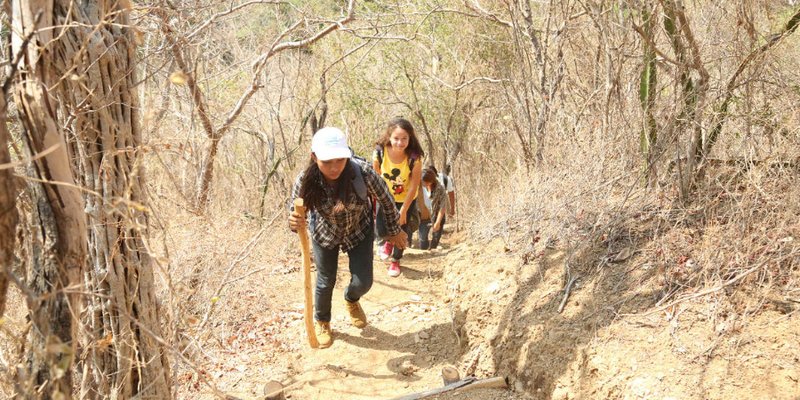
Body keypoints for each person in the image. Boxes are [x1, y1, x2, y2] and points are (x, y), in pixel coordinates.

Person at [288, 127, 408, 349]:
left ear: (347, 156)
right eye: (327, 162)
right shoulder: (305, 181)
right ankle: (323, 321)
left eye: (340, 161)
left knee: (364, 282)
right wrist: (294, 223)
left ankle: (351, 299)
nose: (334, 167)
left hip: (358, 230)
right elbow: (296, 212)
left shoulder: (362, 174)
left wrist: (394, 230)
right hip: (325, 232)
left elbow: (387, 200)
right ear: (314, 158)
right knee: (325, 280)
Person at [373, 117, 424, 277]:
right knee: (382, 229)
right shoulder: (379, 152)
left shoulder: (414, 157)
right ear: (389, 136)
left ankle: (395, 260)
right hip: (386, 197)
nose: (400, 143)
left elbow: (415, 184)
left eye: (404, 139)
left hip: (406, 198)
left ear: (410, 138)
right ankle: (388, 241)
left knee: (402, 229)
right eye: (396, 138)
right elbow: (376, 178)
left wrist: (404, 210)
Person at [418, 167, 449, 250]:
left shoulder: (440, 189)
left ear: (431, 181)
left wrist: (438, 222)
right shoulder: (418, 187)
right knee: (422, 240)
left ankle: (432, 250)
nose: (423, 183)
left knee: (435, 240)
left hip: (437, 215)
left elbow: (442, 207)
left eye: (425, 182)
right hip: (424, 216)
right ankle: (424, 253)